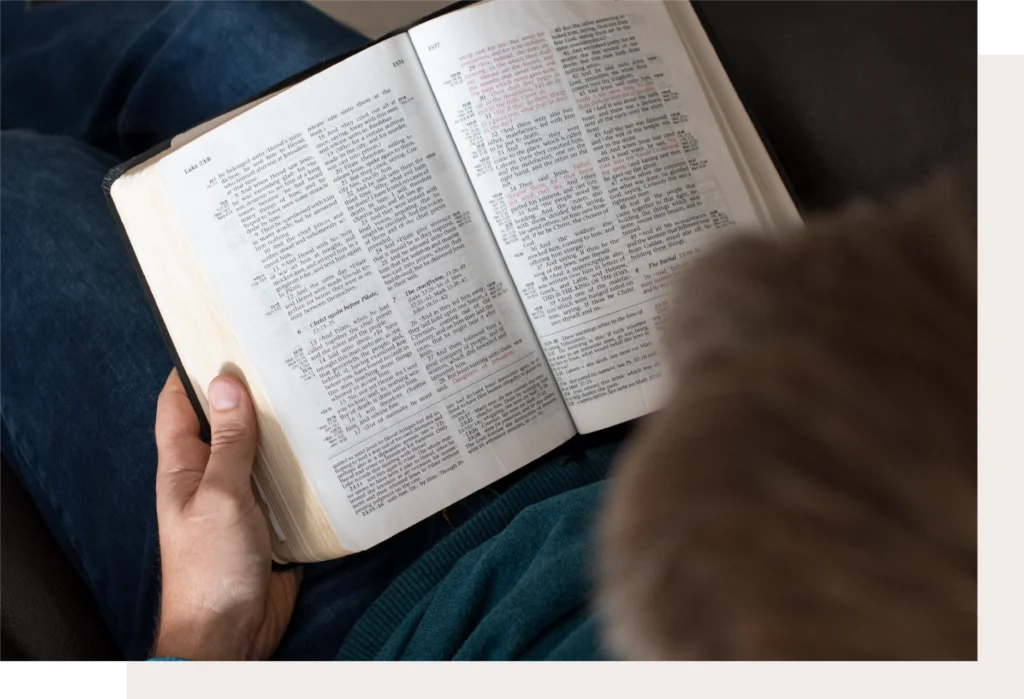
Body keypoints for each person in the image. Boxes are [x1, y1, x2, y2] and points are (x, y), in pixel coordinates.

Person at [1, 0, 622, 661]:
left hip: (351, 612)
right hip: (634, 447)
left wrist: (204, 628)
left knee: (18, 190)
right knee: (222, 24)